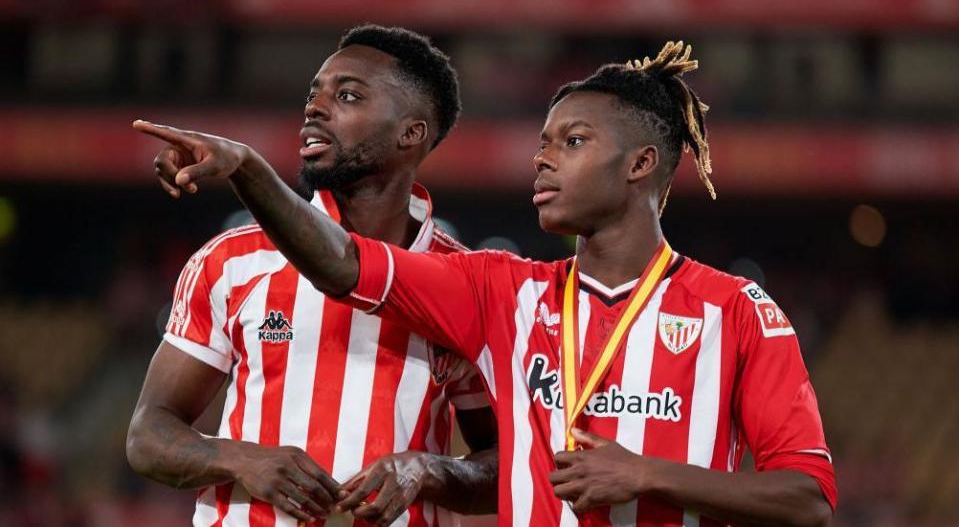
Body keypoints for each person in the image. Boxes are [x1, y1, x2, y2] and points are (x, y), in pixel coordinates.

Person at [133, 41, 837, 526]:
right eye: (541, 144)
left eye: (571, 142)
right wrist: (250, 169)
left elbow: (807, 501)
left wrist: (646, 475)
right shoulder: (501, 290)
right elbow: (343, 264)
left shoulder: (737, 309)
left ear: (640, 163)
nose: (541, 161)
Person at [126, 25, 498, 527]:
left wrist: (427, 469)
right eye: (314, 94)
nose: (315, 108)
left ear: (410, 133)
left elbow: (504, 464)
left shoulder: (464, 283)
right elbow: (147, 436)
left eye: (346, 96)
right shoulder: (234, 260)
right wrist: (241, 458)